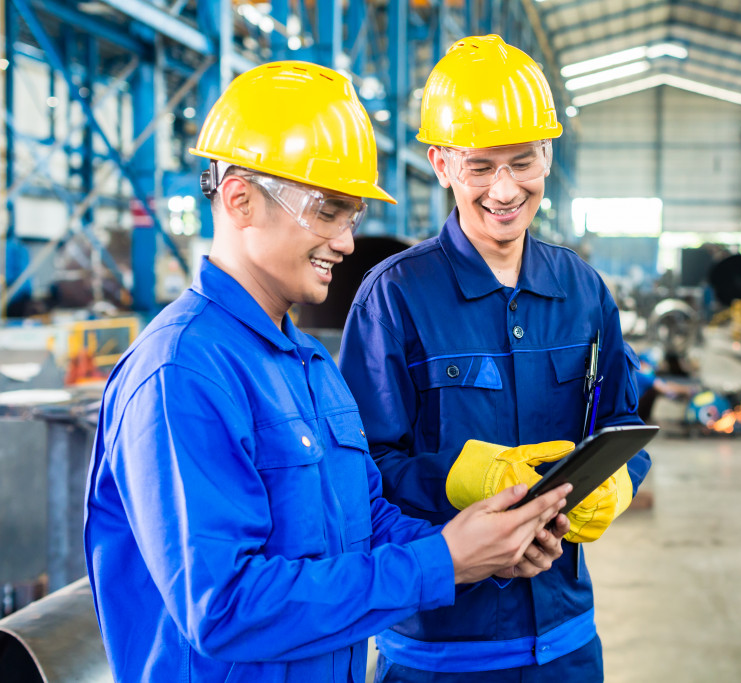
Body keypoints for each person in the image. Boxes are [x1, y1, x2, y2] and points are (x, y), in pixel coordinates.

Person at [83, 61, 571, 683]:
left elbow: (368, 521)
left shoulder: (308, 365)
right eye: (329, 211)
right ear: (240, 199)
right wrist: (440, 563)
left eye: (353, 216)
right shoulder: (184, 372)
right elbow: (224, 606)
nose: (345, 242)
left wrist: (481, 544)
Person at [340, 36, 652, 682]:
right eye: (480, 166)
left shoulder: (584, 291)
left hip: (566, 642)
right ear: (441, 163)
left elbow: (623, 424)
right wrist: (459, 478)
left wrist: (618, 483)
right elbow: (360, 471)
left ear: (547, 157)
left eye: (523, 161)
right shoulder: (394, 298)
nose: (505, 189)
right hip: (439, 652)